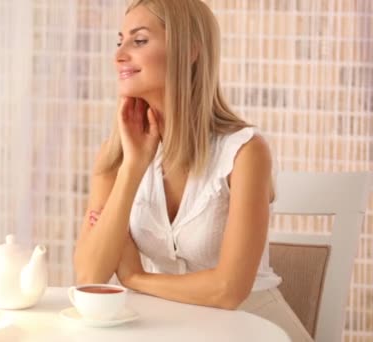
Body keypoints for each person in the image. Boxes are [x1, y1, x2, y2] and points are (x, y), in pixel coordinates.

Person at [72, 1, 312, 341]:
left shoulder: (245, 153)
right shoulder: (116, 157)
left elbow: (227, 291)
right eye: (119, 41)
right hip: (171, 330)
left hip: (255, 328)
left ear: (189, 52)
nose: (120, 55)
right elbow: (89, 275)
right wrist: (133, 168)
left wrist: (135, 278)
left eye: (139, 41)